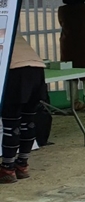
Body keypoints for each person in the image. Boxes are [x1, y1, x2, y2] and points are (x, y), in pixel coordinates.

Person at [1, 36, 47, 183]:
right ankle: (22, 165)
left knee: (11, 121)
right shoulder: (8, 20)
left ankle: (7, 168)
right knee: (28, 120)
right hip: (36, 69)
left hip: (15, 70)